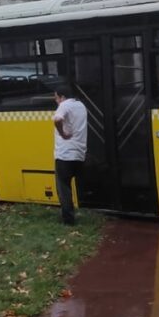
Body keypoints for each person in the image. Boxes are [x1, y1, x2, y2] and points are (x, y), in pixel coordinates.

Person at [53, 84, 87, 225]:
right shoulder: (81, 106)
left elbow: (57, 119)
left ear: (63, 97)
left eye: (56, 98)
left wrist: (63, 133)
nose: (56, 101)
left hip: (65, 155)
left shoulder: (64, 105)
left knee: (63, 188)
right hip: (79, 154)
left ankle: (68, 220)